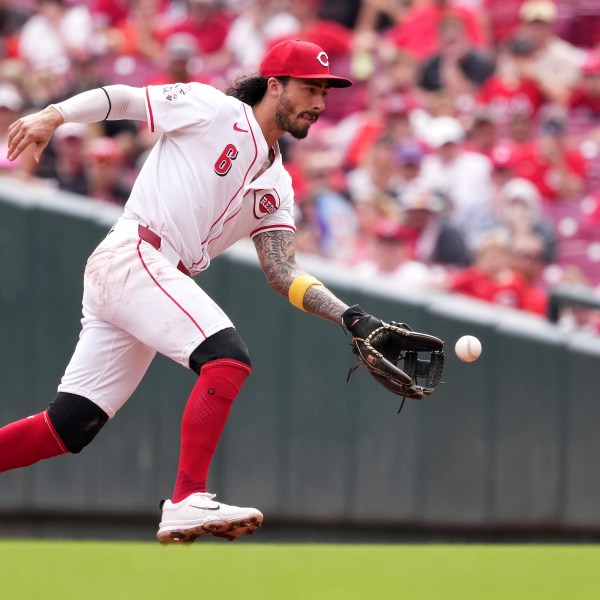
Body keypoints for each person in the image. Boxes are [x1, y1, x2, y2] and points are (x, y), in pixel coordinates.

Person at [0, 39, 391, 545]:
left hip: (148, 276)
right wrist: (55, 114)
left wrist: (349, 316)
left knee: (68, 426)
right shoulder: (215, 110)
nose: (319, 102)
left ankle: (185, 500)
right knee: (227, 358)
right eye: (309, 88)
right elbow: (123, 98)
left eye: (324, 91)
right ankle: (187, 498)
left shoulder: (278, 183)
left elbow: (281, 270)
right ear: (274, 85)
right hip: (137, 253)